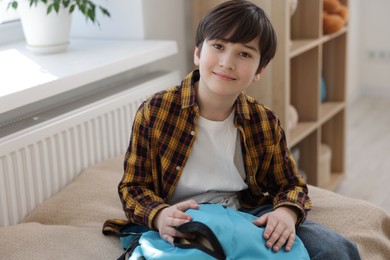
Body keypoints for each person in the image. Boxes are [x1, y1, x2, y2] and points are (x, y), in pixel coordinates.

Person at [114, 0, 361, 258]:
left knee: (337, 250)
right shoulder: (156, 111)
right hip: (179, 217)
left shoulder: (263, 121)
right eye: (218, 46)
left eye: (244, 54)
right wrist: (159, 215)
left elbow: (290, 185)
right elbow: (132, 187)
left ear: (259, 70)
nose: (227, 62)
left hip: (245, 214)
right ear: (198, 52)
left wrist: (286, 212)